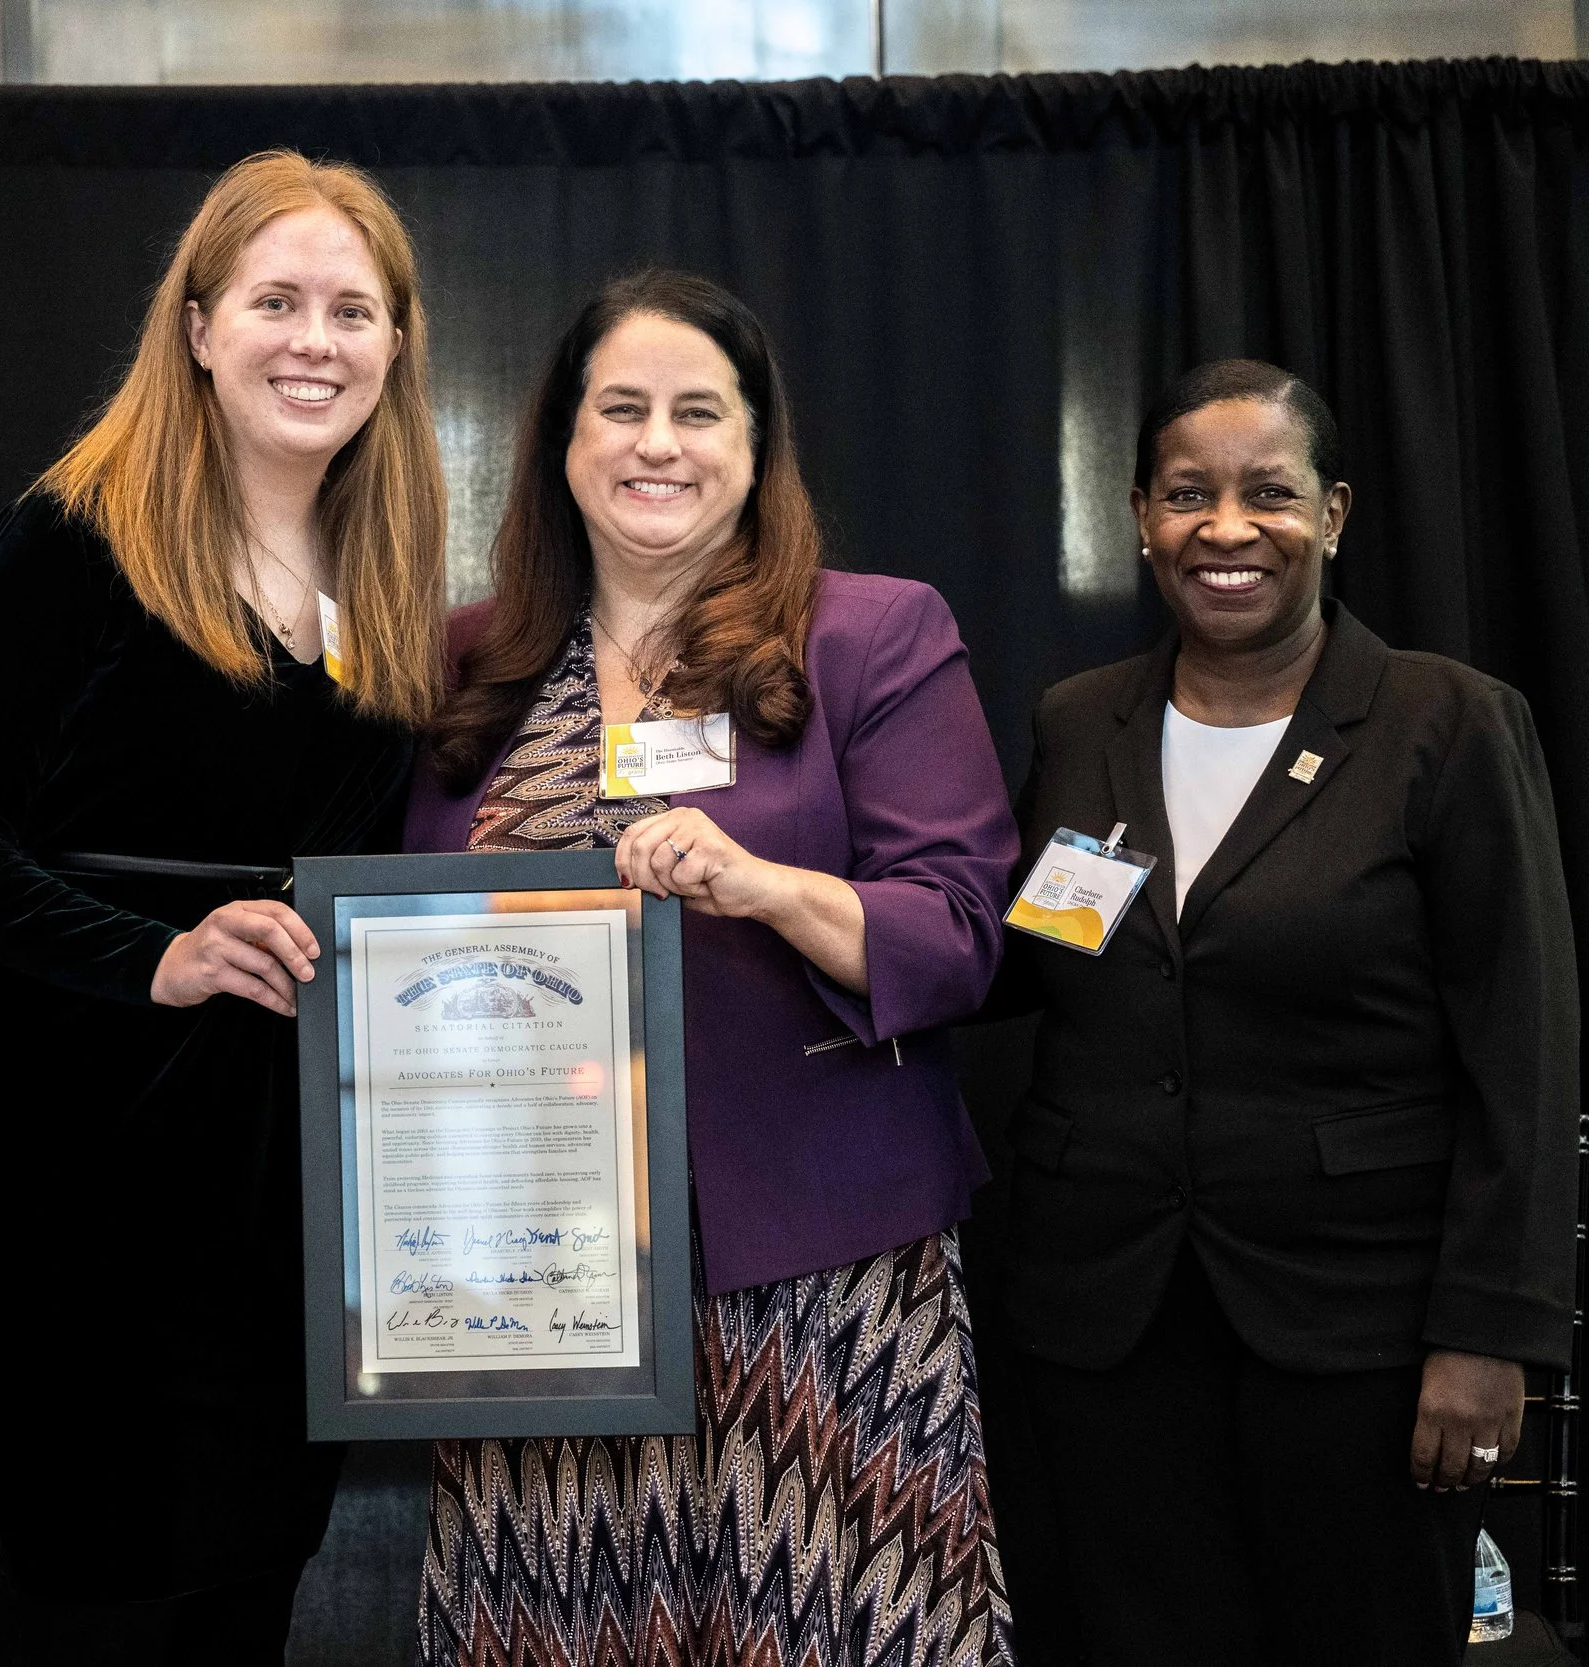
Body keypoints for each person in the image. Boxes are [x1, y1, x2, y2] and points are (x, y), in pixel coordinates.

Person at [407, 270, 1020, 1667]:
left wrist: (768, 887)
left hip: (817, 1275)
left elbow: (964, 926)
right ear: (562, 442)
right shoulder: (473, 657)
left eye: (698, 411)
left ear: (756, 446)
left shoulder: (871, 634)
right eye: (619, 409)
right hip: (536, 1280)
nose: (656, 444)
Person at [0, 150, 448, 1662]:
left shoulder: (389, 565)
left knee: (248, 1578)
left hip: (295, 1167)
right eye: (276, 300)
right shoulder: (74, 537)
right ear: (199, 324)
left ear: (394, 348)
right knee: (109, 1584)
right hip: (78, 1143)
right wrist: (154, 957)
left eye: (352, 309)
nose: (313, 340)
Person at [999, 359, 1580, 1665]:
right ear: (1141, 514)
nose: (1226, 527)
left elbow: (1524, 1058)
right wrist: (789, 891)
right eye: (1189, 493)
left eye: (1268, 492)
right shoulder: (1081, 720)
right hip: (1110, 1320)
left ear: (1331, 515)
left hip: (1360, 1331)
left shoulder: (1447, 723)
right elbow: (1034, 952)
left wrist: (1489, 1336)